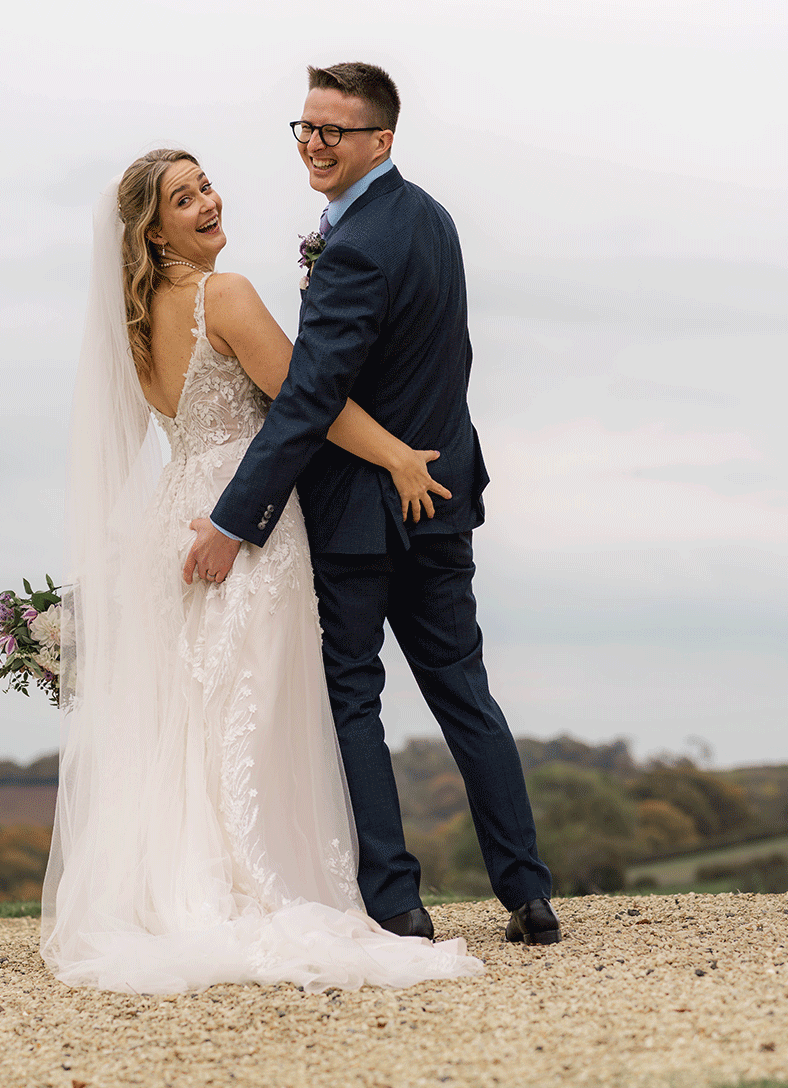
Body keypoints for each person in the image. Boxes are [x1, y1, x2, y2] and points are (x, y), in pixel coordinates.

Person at [39, 147, 483, 993]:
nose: (208, 201)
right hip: (248, 521)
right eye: (184, 198)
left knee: (197, 714)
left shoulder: (129, 326)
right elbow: (306, 402)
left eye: (204, 184)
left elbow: (128, 452)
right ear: (155, 233)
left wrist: (103, 573)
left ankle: (180, 887)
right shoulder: (225, 295)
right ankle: (263, 884)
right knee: (256, 700)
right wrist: (396, 457)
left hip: (178, 521)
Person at [187, 62, 560, 947]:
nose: (313, 144)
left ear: (379, 141)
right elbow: (450, 360)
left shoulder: (355, 243)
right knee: (465, 695)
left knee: (355, 698)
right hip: (441, 494)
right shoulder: (432, 219)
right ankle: (529, 895)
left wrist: (235, 518)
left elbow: (309, 396)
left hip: (360, 512)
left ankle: (396, 904)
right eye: (304, 128)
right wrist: (436, 459)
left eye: (333, 131)